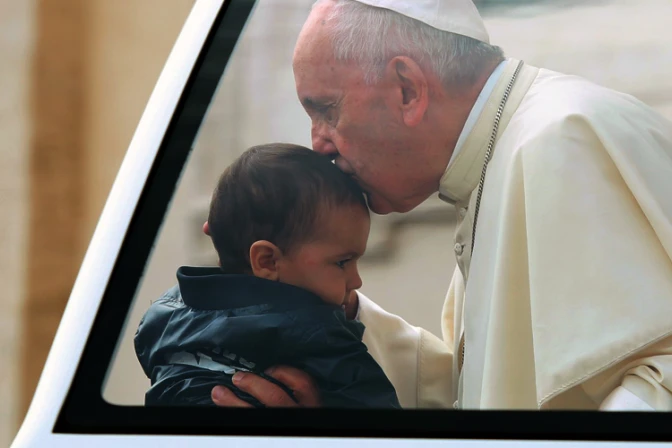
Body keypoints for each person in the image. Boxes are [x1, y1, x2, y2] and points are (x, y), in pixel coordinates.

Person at [208, 0, 672, 411]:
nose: (318, 143)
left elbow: (659, 383)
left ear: (407, 89)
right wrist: (305, 312)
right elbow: (476, 392)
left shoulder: (566, 137)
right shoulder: (488, 168)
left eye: (327, 110)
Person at [134, 143, 401, 409]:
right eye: (342, 262)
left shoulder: (168, 316)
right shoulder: (321, 338)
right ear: (267, 260)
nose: (356, 282)